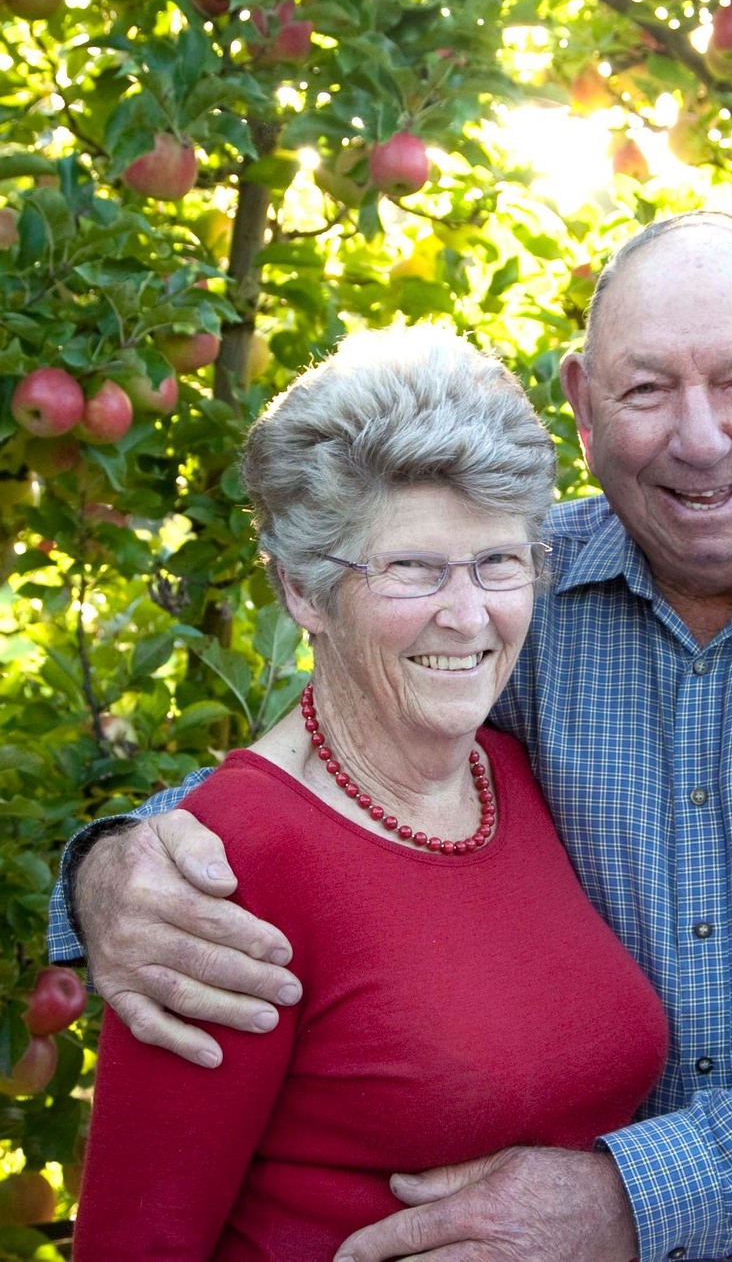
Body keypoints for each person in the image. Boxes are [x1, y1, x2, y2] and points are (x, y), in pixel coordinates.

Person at [52, 212, 732, 1262]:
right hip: (546, 1219)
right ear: (580, 404)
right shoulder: (516, 580)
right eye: (646, 389)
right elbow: (332, 784)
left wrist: (632, 1202)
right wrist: (114, 873)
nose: (699, 438)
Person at [70, 328, 670, 1258]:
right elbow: (136, 1239)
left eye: (498, 563)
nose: (468, 615)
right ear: (302, 590)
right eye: (413, 568)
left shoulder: (513, 776)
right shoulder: (223, 868)